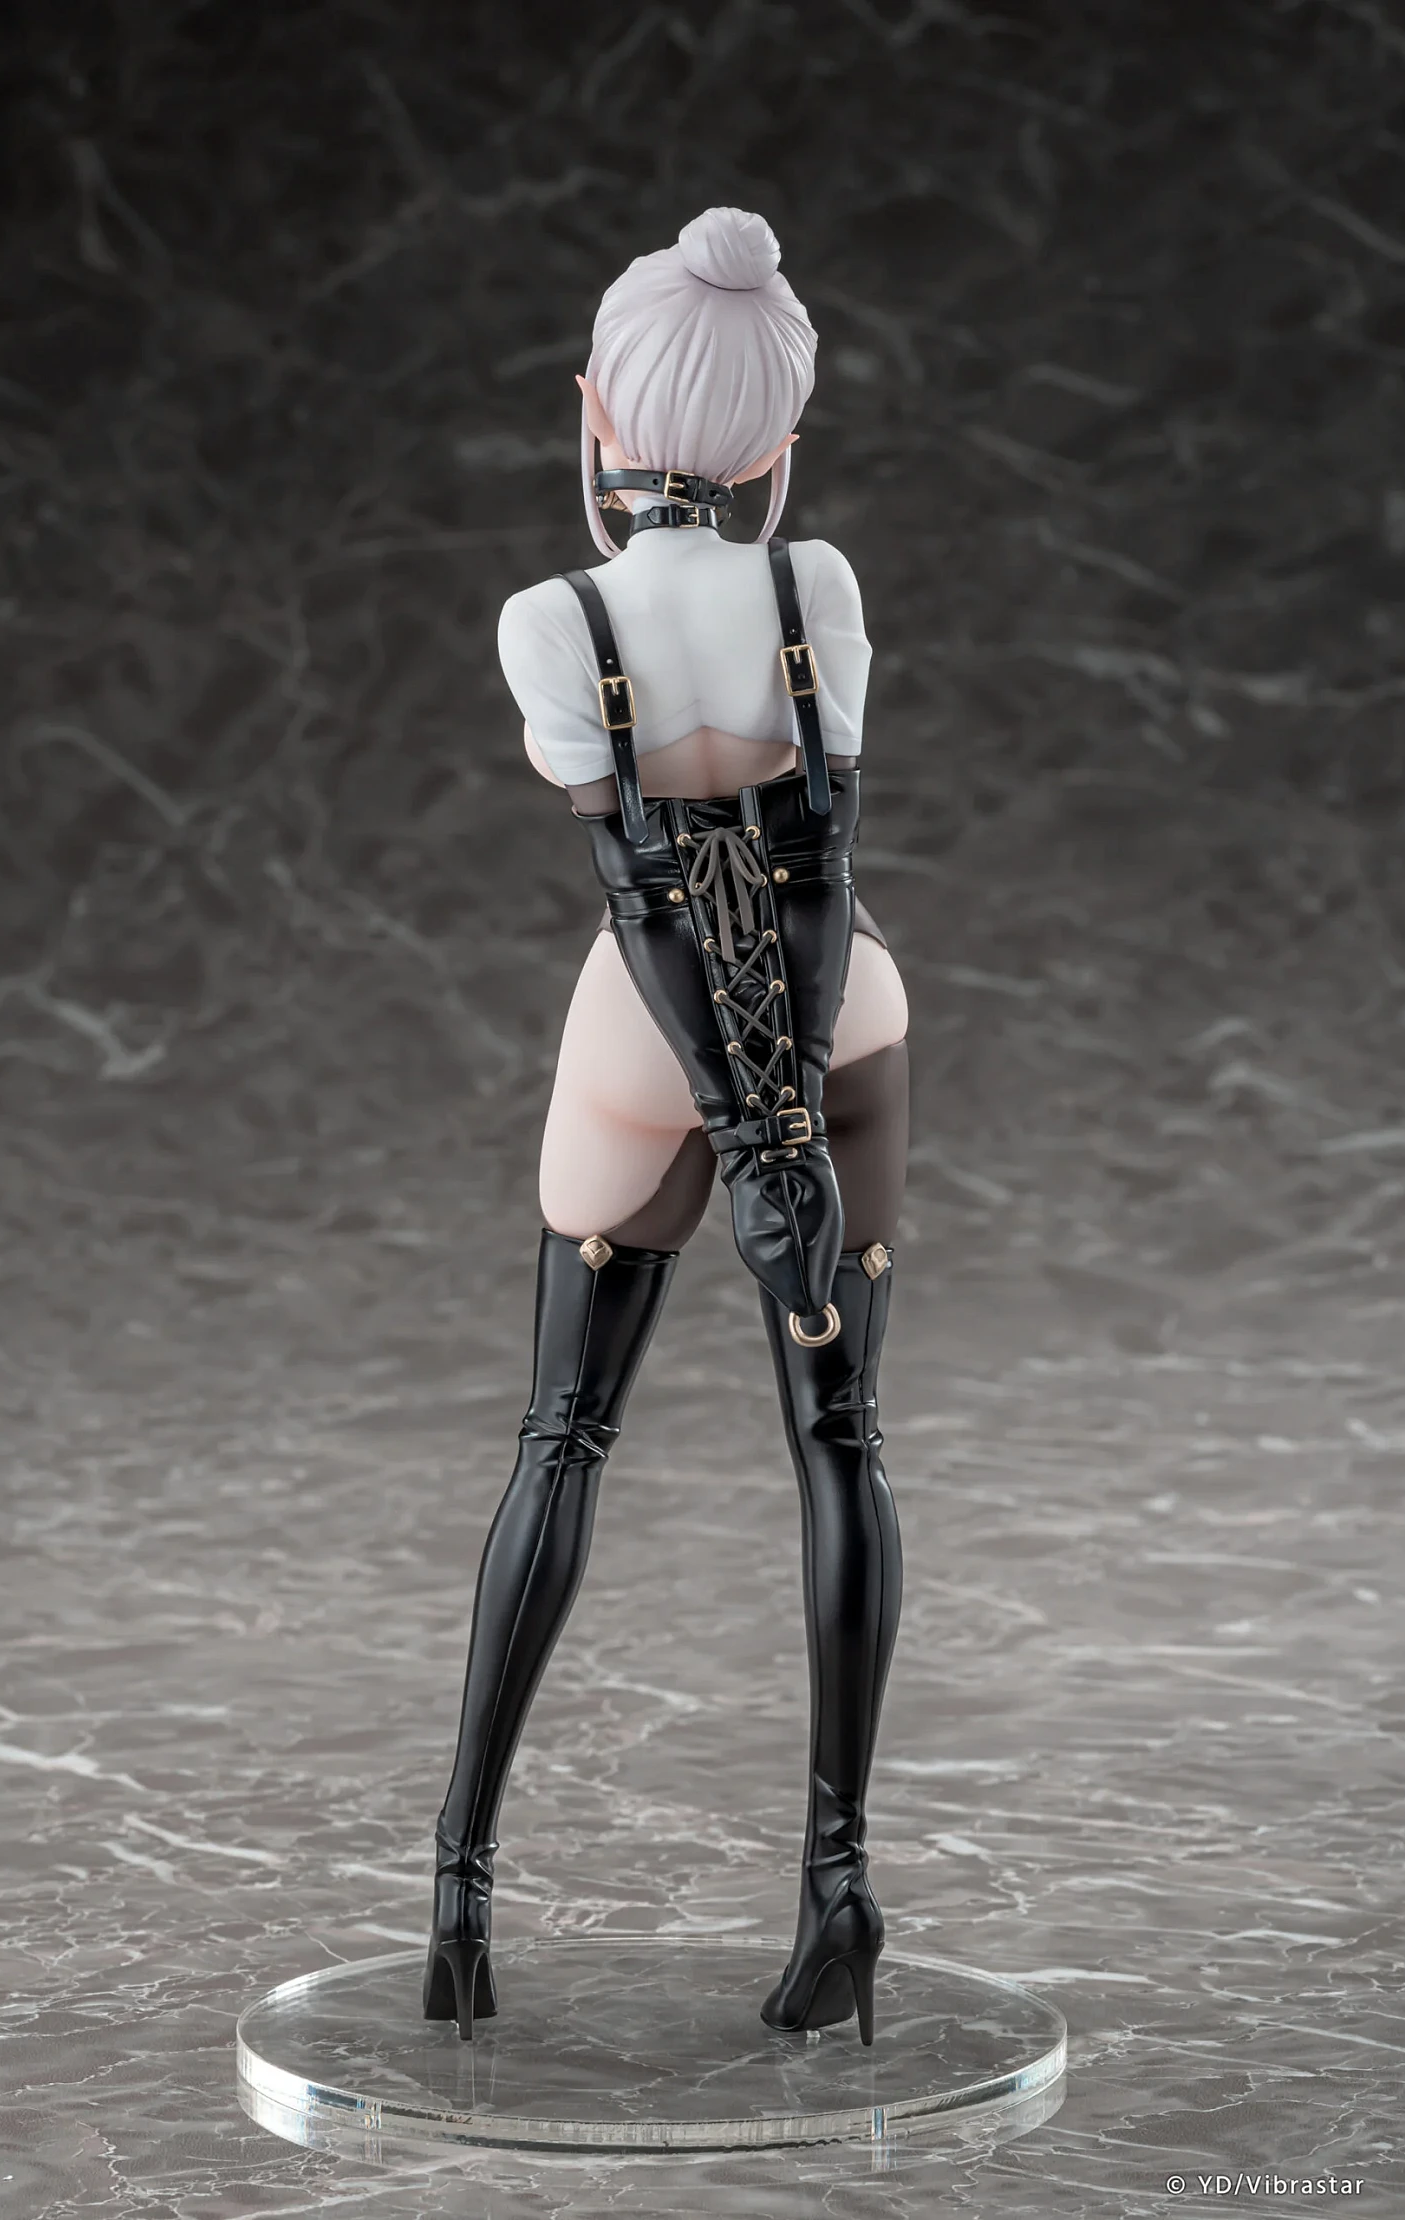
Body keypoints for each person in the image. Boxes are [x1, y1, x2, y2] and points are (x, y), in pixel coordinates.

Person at [423, 207, 908, 2049]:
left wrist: (735, 1119)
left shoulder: (557, 621)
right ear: (781, 439)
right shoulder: (816, 587)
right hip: (849, 1008)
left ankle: (458, 1901)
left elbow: (648, 900)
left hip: (657, 1030)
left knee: (564, 1431)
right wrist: (784, 1136)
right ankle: (839, 1893)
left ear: (596, 415)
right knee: (844, 1435)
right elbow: (815, 870)